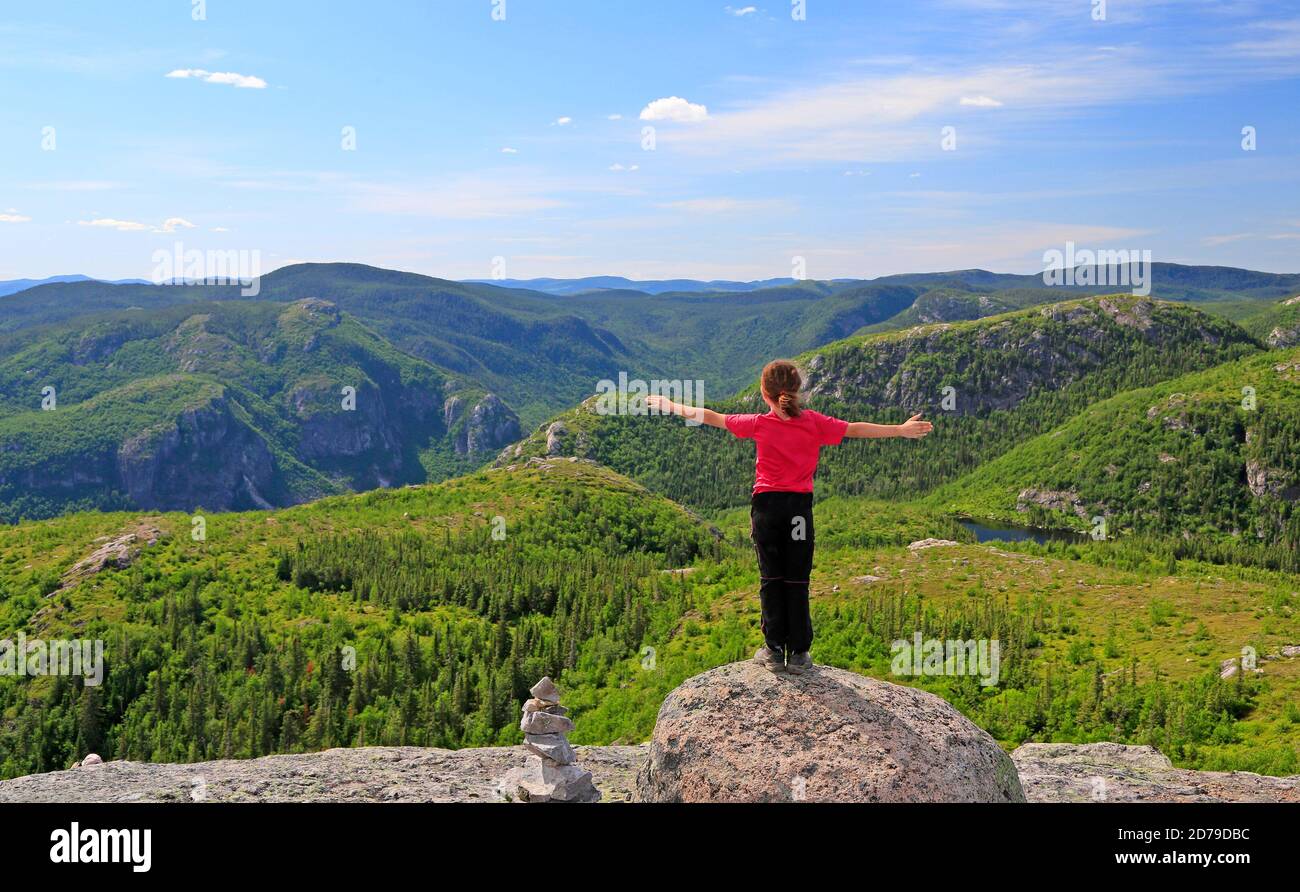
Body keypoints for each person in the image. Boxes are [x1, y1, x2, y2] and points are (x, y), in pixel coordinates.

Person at [645, 359, 932, 675]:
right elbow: (855, 429)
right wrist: (900, 430)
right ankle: (798, 652)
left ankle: (773, 649)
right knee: (797, 578)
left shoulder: (758, 423)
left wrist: (669, 404)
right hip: (798, 511)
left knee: (771, 578)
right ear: (796, 392)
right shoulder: (814, 423)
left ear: (764, 394)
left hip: (767, 510)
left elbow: (712, 417)